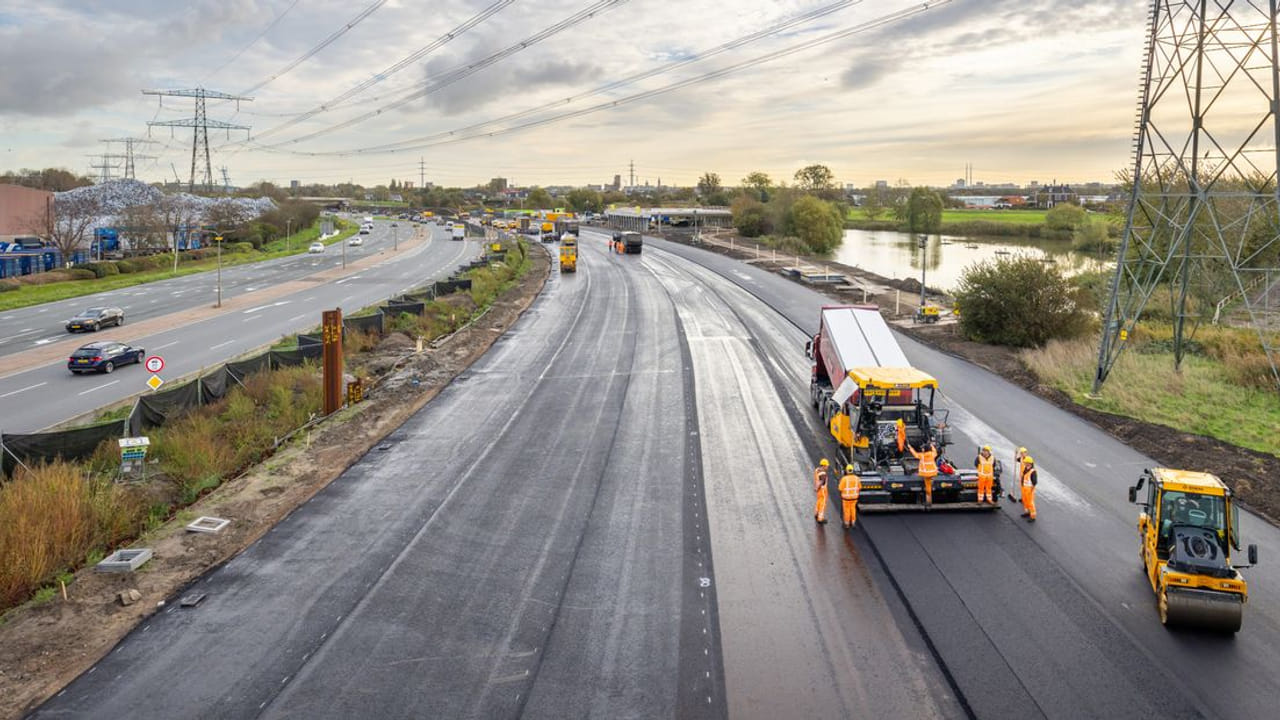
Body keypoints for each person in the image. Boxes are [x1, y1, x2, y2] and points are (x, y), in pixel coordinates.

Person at [909, 442, 939, 506]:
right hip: (933, 473)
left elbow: (915, 454)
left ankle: (928, 501)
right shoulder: (932, 454)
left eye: (923, 448)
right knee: (929, 485)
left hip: (926, 474)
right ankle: (932, 481)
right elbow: (935, 451)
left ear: (925, 449)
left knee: (928, 487)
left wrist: (910, 448)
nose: (922, 449)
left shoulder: (922, 456)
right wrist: (931, 445)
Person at [838, 464, 861, 529]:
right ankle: (853, 523)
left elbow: (840, 488)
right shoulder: (857, 478)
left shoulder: (844, 479)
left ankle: (847, 523)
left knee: (846, 510)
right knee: (853, 509)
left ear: (846, 471)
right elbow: (859, 487)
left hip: (846, 498)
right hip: (854, 498)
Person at [1021, 455, 1038, 521]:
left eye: (1026, 462)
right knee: (1025, 501)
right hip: (1025, 488)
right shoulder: (1026, 469)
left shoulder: (1033, 471)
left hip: (1029, 489)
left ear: (1029, 463)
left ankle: (1033, 516)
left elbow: (1034, 482)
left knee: (1030, 502)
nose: (1025, 463)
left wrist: (1031, 490)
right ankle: (1027, 512)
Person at [813, 458, 830, 524]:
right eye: (827, 466)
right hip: (822, 490)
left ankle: (816, 513)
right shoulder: (823, 474)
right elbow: (821, 482)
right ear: (823, 465)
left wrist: (816, 488)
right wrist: (817, 487)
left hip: (819, 491)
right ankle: (820, 518)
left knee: (819, 501)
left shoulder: (817, 470)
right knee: (822, 504)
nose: (827, 467)